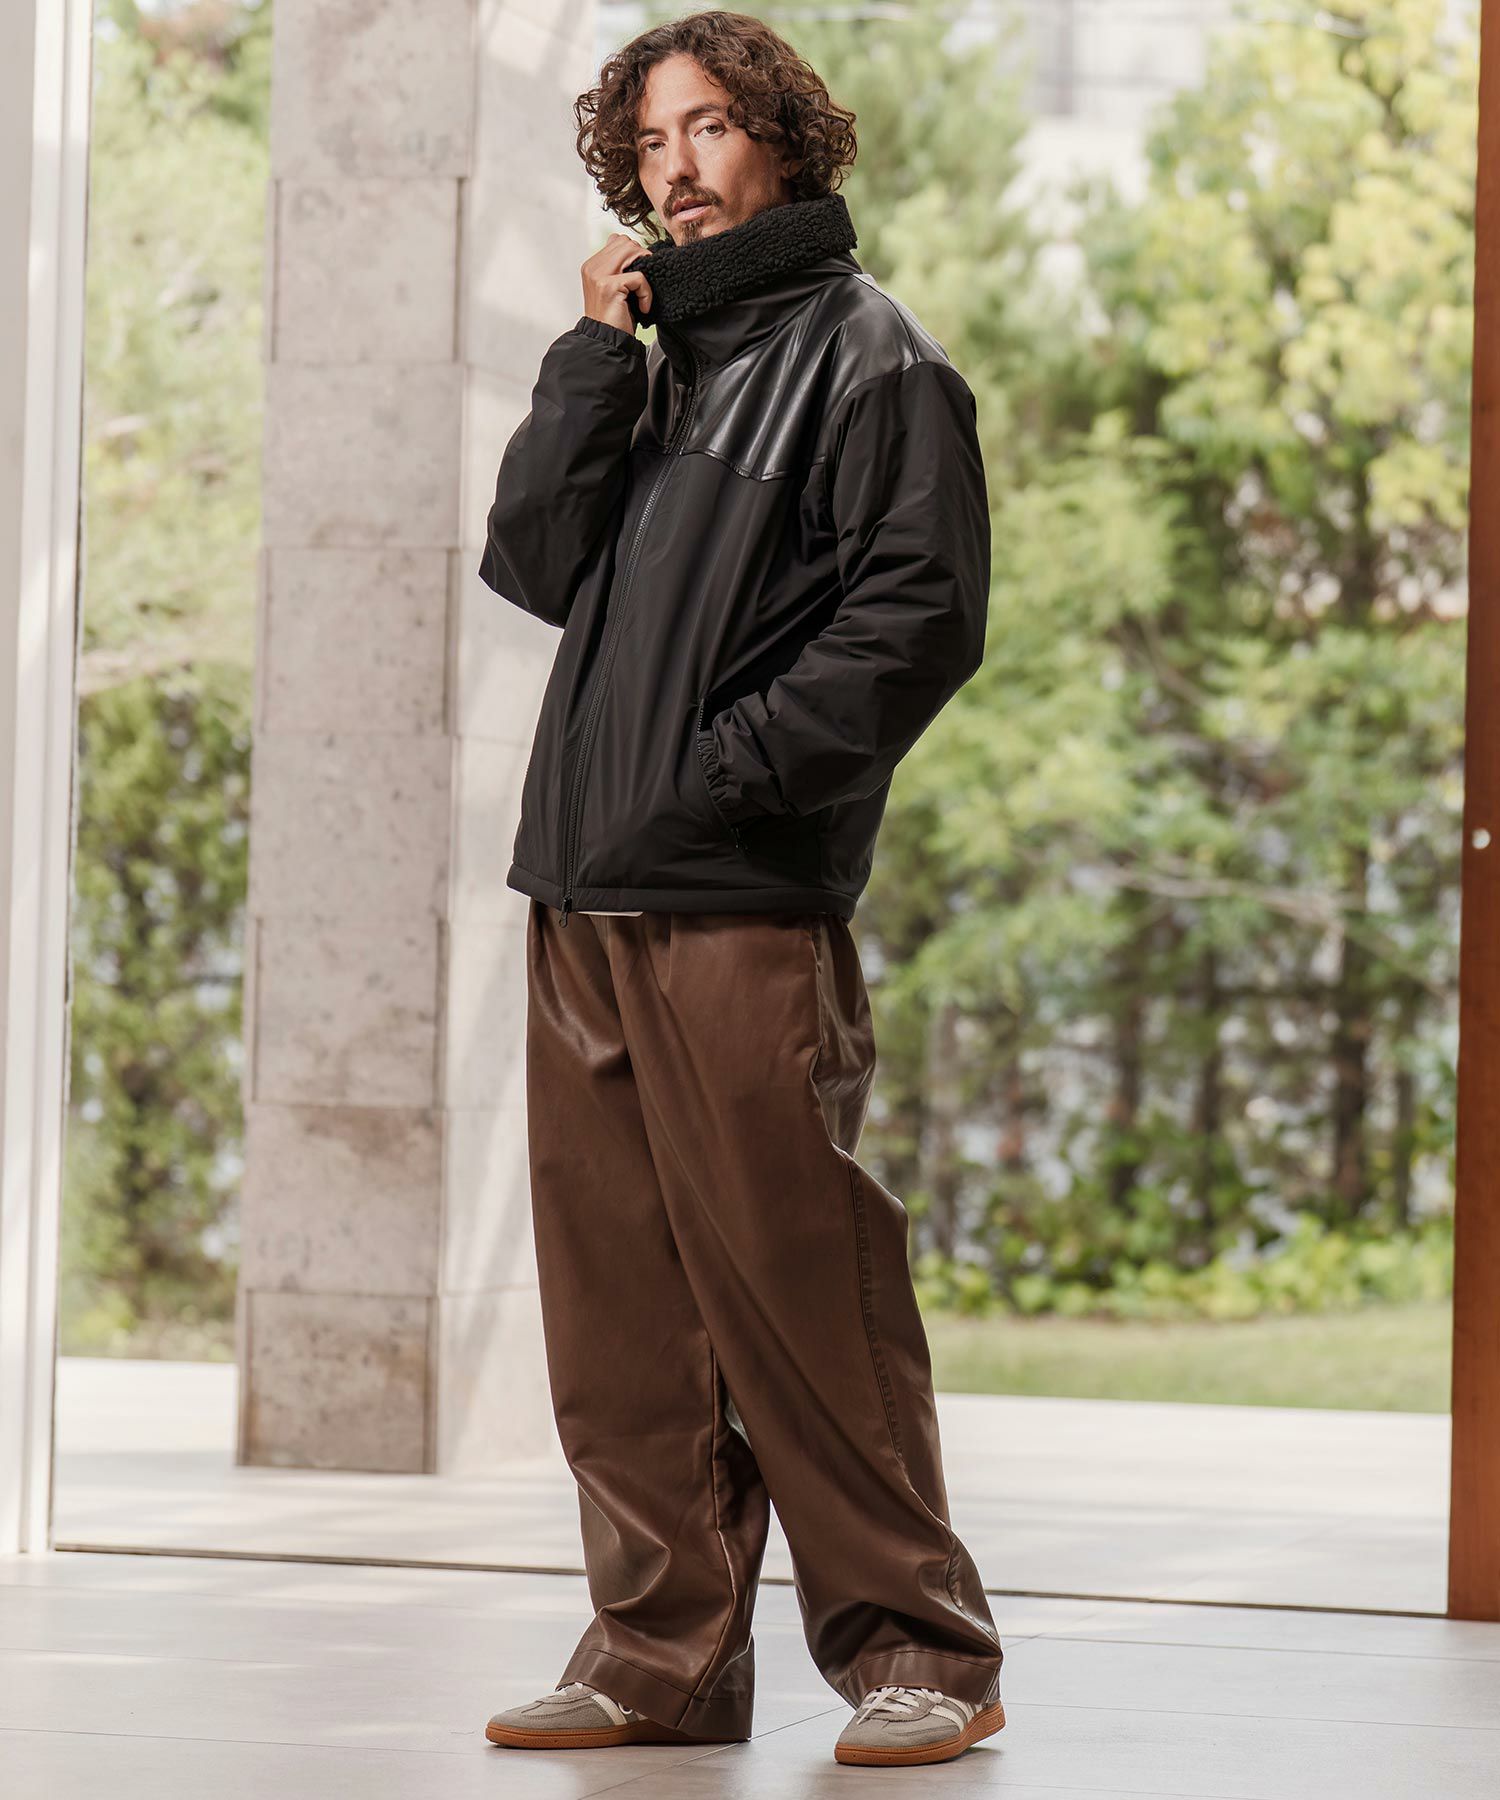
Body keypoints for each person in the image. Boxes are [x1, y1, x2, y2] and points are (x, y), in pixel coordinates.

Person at [478, 8, 1005, 1771]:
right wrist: (590, 357)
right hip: (584, 894)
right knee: (621, 1315)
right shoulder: (651, 363)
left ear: (784, 137)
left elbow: (917, 621)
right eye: (647, 144)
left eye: (706, 128)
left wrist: (725, 777)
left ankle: (922, 1651)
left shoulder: (873, 356)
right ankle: (662, 1657)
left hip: (736, 897)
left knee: (801, 1291)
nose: (676, 168)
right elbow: (530, 560)